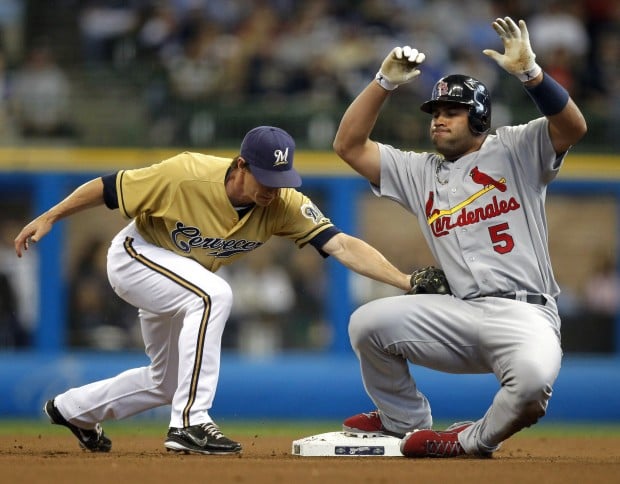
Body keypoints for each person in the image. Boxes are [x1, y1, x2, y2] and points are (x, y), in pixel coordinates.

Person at [14, 125, 413, 455]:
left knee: (166, 381)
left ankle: (72, 409)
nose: (272, 190)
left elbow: (341, 244)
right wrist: (50, 216)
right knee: (213, 294)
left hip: (180, 276)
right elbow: (106, 187)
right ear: (240, 166)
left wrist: (405, 281)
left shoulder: (283, 204)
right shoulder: (185, 174)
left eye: (281, 180)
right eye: (265, 178)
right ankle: (191, 422)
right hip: (137, 256)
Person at [332, 17, 587, 458]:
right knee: (367, 323)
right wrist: (382, 84)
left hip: (525, 314)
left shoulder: (515, 149)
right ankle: (403, 419)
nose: (439, 120)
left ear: (480, 117)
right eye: (435, 113)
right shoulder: (420, 172)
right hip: (461, 313)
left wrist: (531, 74)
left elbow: (573, 128)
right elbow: (349, 146)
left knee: (530, 386)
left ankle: (469, 440)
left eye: (452, 111)